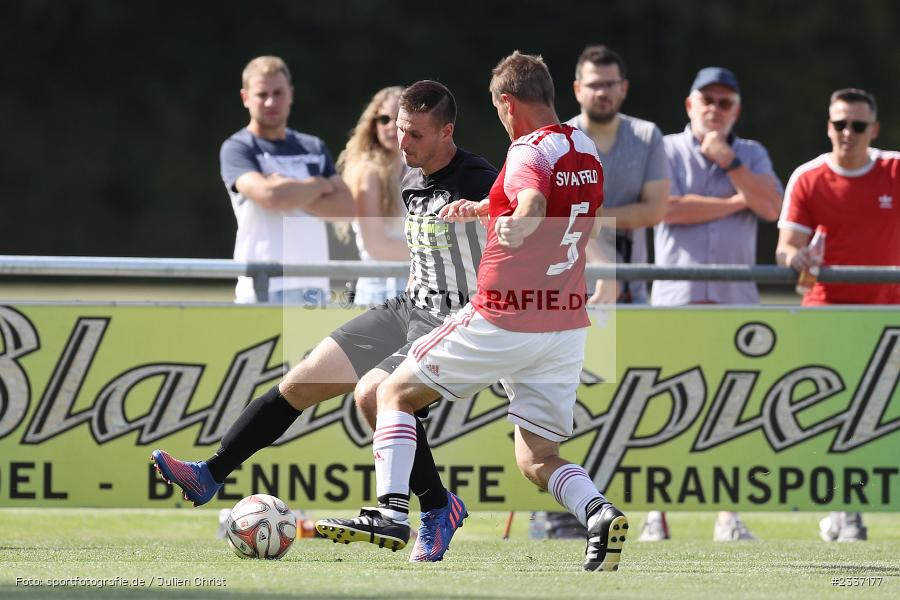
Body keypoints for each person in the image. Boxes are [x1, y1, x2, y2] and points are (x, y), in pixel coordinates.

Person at [152, 80, 499, 563]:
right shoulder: (411, 173)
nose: (403, 143)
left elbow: (517, 218)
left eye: (416, 135)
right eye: (400, 130)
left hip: (453, 317)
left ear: (447, 131)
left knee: (374, 395)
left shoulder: (477, 175)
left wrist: (499, 219)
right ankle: (209, 474)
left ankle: (431, 510)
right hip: (407, 306)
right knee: (300, 383)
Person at [316, 51, 629, 572]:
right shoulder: (585, 146)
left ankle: (392, 514)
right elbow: (543, 199)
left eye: (498, 108)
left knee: (389, 392)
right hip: (563, 322)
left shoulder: (528, 150)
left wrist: (518, 222)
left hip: (505, 315)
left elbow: (529, 200)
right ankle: (598, 515)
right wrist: (484, 207)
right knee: (536, 459)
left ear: (508, 103)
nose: (502, 119)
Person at [649, 66, 784, 541]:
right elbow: (666, 208)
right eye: (707, 100)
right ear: (690, 105)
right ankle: (656, 512)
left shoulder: (750, 153)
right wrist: (735, 201)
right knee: (666, 408)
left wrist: (729, 163)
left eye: (725, 102)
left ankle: (728, 515)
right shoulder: (664, 148)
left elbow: (770, 207)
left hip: (733, 301)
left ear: (736, 110)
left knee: (734, 409)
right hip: (676, 299)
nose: (715, 109)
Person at [777, 87, 900, 541]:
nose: (848, 133)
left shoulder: (894, 169)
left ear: (874, 130)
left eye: (858, 125)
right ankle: (843, 508)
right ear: (828, 127)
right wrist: (799, 260)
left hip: (889, 313)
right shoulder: (808, 176)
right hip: (826, 311)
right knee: (839, 416)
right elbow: (785, 247)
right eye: (840, 124)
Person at [219, 55, 355, 304]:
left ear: (290, 94)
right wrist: (320, 185)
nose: (271, 101)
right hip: (262, 285)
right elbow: (270, 197)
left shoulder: (312, 146)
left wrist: (287, 190)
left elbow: (347, 208)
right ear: (245, 98)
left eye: (278, 92)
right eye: (262, 94)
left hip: (314, 285)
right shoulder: (237, 148)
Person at [567, 44, 668, 304]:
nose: (602, 92)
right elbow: (554, 217)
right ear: (578, 89)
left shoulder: (647, 137)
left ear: (623, 88)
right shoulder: (559, 142)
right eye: (593, 85)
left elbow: (654, 211)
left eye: (610, 84)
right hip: (567, 292)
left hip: (631, 291)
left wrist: (590, 219)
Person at [336, 86, 410, 306]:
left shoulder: (417, 171)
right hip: (379, 291)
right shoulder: (368, 172)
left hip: (413, 286)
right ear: (373, 125)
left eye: (398, 119)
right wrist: (436, 252)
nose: (390, 126)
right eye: (384, 119)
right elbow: (376, 246)